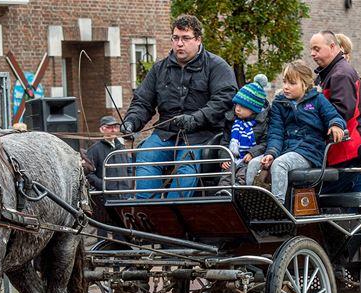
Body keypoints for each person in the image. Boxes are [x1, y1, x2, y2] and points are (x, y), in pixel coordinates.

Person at [120, 14, 238, 198]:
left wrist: (196, 119)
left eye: (185, 38)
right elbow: (142, 101)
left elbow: (224, 99)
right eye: (175, 38)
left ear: (198, 40)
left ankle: (173, 212)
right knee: (145, 156)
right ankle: (147, 210)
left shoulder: (217, 67)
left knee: (186, 163)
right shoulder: (159, 69)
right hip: (165, 133)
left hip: (202, 134)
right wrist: (131, 121)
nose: (179, 44)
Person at [245, 60, 346, 204]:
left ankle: (278, 206)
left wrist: (336, 125)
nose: (286, 87)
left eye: (292, 83)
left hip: (309, 151)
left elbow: (334, 116)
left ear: (305, 85)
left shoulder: (318, 100)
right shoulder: (279, 103)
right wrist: (271, 153)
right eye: (285, 82)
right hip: (286, 149)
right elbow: (276, 132)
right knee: (254, 164)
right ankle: (253, 205)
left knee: (280, 164)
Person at [310, 30, 361, 193]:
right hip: (347, 151)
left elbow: (342, 112)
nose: (312, 54)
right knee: (347, 210)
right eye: (311, 50)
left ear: (332, 47)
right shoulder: (330, 72)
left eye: (316, 49)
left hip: (347, 152)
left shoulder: (340, 74)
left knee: (321, 199)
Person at [218, 79, 269, 186]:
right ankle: (224, 196)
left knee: (241, 177)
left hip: (248, 160)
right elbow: (225, 140)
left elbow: (265, 143)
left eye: (243, 107)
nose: (237, 109)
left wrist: (252, 153)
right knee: (226, 177)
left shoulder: (262, 124)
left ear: (254, 109)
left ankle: (238, 195)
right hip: (232, 158)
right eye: (237, 105)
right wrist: (224, 157)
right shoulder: (232, 121)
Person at [86, 115, 131, 237]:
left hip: (123, 195)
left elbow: (129, 169)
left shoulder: (121, 148)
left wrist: (129, 186)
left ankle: (122, 252)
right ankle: (103, 253)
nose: (113, 130)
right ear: (102, 129)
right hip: (105, 196)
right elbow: (88, 173)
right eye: (109, 127)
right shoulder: (94, 150)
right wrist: (104, 185)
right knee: (103, 228)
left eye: (115, 127)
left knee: (122, 227)